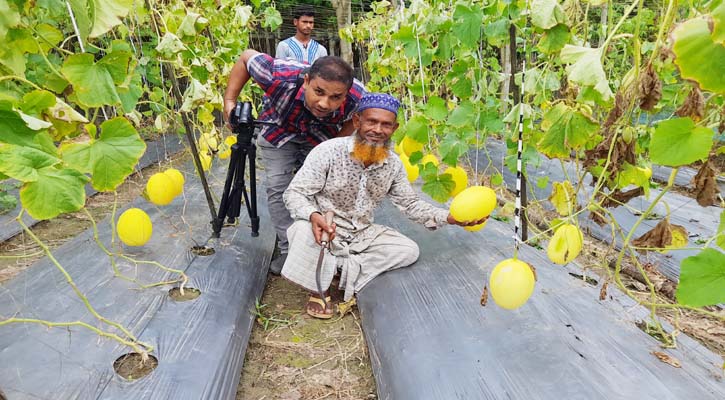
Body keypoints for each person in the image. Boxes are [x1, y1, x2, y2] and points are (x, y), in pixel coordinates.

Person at [281, 93, 487, 319]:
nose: (378, 130)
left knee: (407, 251)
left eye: (386, 125)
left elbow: (410, 204)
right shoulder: (328, 152)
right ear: (357, 121)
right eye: (371, 121)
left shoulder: (393, 165)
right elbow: (295, 193)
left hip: (362, 233)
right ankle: (320, 286)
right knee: (300, 230)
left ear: (395, 128)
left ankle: (335, 268)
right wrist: (313, 215)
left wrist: (451, 218)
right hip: (325, 228)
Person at [223, 50, 365, 275]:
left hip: (320, 136)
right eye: (318, 92)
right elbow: (245, 57)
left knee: (321, 188)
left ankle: (324, 243)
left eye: (336, 97)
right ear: (306, 80)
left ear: (346, 95)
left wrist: (334, 146)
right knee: (279, 188)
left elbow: (362, 117)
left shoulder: (359, 96)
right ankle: (290, 250)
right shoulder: (279, 76)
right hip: (278, 131)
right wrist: (229, 101)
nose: (324, 103)